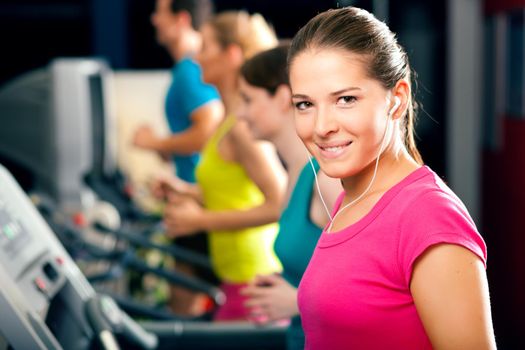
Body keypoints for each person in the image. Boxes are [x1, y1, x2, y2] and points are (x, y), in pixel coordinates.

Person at [287, 7, 496, 349]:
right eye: (305, 104)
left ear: (396, 100)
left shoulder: (428, 216)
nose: (322, 126)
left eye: (346, 99)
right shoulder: (351, 198)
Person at [162, 11, 286, 321]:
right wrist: (188, 192)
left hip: (252, 279)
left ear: (231, 55)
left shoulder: (242, 129)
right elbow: (233, 191)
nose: (196, 56)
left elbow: (281, 204)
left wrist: (201, 220)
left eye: (205, 47)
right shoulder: (226, 122)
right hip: (234, 278)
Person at [236, 43, 341, 349]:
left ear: (283, 97)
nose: (240, 113)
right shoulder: (296, 175)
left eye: (247, 99)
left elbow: (380, 287)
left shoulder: (326, 181)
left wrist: (297, 301)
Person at [132, 0, 223, 317]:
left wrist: (153, 141)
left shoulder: (189, 68)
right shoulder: (188, 68)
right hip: (194, 190)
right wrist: (165, 148)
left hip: (198, 196)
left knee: (183, 304)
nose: (154, 19)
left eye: (160, 12)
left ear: (181, 19)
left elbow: (208, 128)